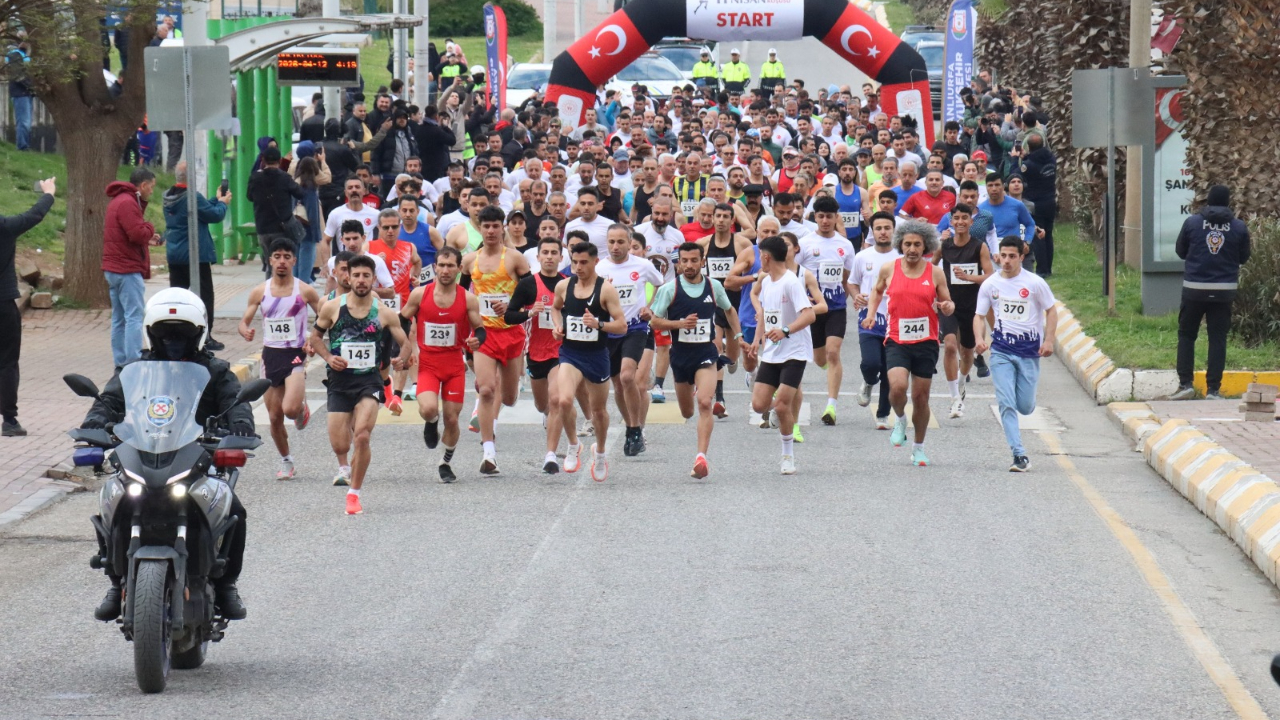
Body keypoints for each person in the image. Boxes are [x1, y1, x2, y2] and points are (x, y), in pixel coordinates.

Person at [83, 288, 254, 621]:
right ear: (152, 334)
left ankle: (226, 585)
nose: (173, 341)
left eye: (181, 334)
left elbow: (236, 403)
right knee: (112, 500)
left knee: (234, 510)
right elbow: (110, 401)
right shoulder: (135, 369)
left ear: (198, 334)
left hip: (197, 458)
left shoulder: (216, 371)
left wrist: (241, 427)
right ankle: (116, 581)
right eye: (165, 334)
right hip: (143, 453)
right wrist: (95, 424)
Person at [308, 255, 412, 515]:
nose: (361, 280)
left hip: (369, 380)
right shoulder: (332, 308)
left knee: (362, 435)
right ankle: (348, 466)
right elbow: (315, 337)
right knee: (340, 445)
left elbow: (405, 342)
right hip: (339, 381)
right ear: (348, 277)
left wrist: (401, 359)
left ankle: (354, 494)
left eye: (366, 276)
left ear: (373, 279)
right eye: (356, 275)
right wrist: (329, 358)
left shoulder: (384, 312)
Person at [862, 219, 954, 467]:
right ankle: (901, 418)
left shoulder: (934, 272)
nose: (912, 249)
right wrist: (871, 314)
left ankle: (918, 448)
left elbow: (948, 302)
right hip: (897, 339)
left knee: (921, 397)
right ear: (900, 245)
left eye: (917, 245)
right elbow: (877, 291)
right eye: (908, 244)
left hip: (926, 341)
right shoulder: (889, 269)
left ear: (926, 246)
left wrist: (947, 306)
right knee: (897, 387)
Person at [648, 242, 742, 478]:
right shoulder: (669, 289)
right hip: (680, 357)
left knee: (705, 403)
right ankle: (692, 393)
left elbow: (729, 310)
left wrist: (739, 336)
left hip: (706, 354)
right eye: (684, 261)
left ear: (702, 261)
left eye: (693, 260)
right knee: (687, 412)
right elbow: (654, 321)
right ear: (678, 263)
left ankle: (701, 457)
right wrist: (679, 324)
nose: (689, 265)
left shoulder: (713, 286)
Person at [237, 239, 322, 479]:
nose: (282, 261)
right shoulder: (260, 291)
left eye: (286, 256)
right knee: (275, 417)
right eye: (277, 256)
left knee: (290, 410)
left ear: (294, 260)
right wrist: (245, 331)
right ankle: (286, 461)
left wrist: (312, 340)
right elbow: (244, 321)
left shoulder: (304, 291)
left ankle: (301, 408)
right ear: (270, 260)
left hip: (295, 353)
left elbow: (324, 318)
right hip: (271, 355)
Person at [973, 236, 1057, 472]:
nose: (1007, 261)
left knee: (1025, 406)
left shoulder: (1035, 283)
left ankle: (1026, 403)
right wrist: (979, 339)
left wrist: (1048, 340)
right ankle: (1019, 454)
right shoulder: (990, 284)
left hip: (1029, 353)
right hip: (1001, 351)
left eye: (1012, 256)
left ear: (1022, 256)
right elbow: (979, 316)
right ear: (998, 256)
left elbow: (1051, 310)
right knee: (1006, 403)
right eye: (1003, 256)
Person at [400, 246, 484, 482]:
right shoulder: (420, 294)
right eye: (442, 266)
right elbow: (402, 320)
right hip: (428, 364)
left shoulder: (468, 299)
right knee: (428, 409)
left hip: (454, 366)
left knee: (452, 419)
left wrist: (477, 340)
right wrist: (401, 350)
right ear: (435, 267)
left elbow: (480, 329)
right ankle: (431, 421)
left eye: (450, 266)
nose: (445, 270)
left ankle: (445, 462)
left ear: (459, 268)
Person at [550, 241, 628, 481]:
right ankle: (574, 444)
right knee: (564, 400)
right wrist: (558, 326)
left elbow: (622, 325)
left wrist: (599, 324)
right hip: (570, 353)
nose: (578, 267)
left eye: (584, 262)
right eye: (575, 262)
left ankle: (600, 452)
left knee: (598, 411)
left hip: (596, 355)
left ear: (596, 262)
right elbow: (555, 308)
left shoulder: (605, 290)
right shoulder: (564, 286)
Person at [462, 205, 532, 474]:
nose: (491, 231)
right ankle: (488, 452)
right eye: (486, 226)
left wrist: (512, 307)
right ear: (480, 228)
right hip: (484, 334)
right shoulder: (470, 261)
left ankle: (497, 405)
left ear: (502, 228)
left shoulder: (515, 259)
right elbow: (461, 296)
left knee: (510, 397)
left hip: (512, 333)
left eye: (495, 226)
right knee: (487, 390)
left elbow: (531, 293)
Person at [1171, 184, 1252, 401]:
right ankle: (1213, 390)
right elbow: (1244, 257)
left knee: (1187, 335)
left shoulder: (1192, 223)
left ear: (1208, 201)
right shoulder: (1238, 227)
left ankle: (1185, 384)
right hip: (1224, 292)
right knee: (1218, 339)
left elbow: (1180, 251)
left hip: (1194, 290)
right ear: (1228, 203)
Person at [503, 237, 574, 473]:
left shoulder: (568, 284)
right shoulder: (528, 285)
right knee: (542, 404)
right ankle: (547, 415)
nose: (550, 257)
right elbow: (509, 316)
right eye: (546, 253)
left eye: (554, 253)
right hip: (535, 352)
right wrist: (529, 313)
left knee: (556, 400)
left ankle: (550, 456)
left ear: (561, 258)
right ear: (538, 257)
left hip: (561, 352)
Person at [747, 236, 815, 475]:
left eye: (760, 256)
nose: (760, 261)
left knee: (784, 405)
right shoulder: (767, 282)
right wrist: (756, 341)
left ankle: (787, 456)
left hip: (794, 352)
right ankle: (778, 407)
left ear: (766, 257)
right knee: (759, 406)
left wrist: (786, 330)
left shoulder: (791, 282)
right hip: (772, 353)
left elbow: (809, 315)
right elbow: (765, 314)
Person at [596, 223, 664, 456]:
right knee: (617, 384)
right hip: (609, 331)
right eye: (611, 242)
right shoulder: (600, 268)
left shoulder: (643, 265)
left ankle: (636, 429)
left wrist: (650, 307)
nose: (615, 247)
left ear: (629, 243)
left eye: (620, 242)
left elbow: (661, 285)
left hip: (635, 328)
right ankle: (631, 427)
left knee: (627, 376)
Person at [0, 177, 54, 437]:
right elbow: (34, 215)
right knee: (7, 362)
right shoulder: (5, 227)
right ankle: (9, 421)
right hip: (3, 304)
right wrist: (49, 193)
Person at [796, 196, 857, 426]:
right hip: (812, 309)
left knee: (833, 352)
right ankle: (830, 368)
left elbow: (848, 276)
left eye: (829, 217)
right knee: (819, 357)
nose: (825, 221)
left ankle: (831, 405)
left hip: (836, 307)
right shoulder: (805, 243)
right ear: (815, 217)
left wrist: (852, 297)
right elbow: (794, 273)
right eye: (820, 216)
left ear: (836, 218)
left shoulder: (845, 245)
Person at [932, 203, 993, 419]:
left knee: (967, 353)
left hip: (971, 305)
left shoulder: (979, 247)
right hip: (948, 303)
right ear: (951, 221)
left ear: (971, 222)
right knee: (950, 345)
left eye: (964, 218)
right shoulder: (944, 246)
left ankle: (960, 381)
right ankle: (954, 398)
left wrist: (969, 278)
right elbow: (930, 267)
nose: (960, 222)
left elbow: (990, 275)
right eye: (956, 218)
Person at [163, 161, 231, 352]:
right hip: (195, 255)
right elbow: (214, 215)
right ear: (191, 177)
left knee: (177, 297)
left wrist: (215, 199)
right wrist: (223, 203)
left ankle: (175, 334)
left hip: (175, 254)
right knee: (205, 297)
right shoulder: (192, 197)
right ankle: (205, 336)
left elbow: (201, 210)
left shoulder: (168, 197)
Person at [104, 168, 161, 369]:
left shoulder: (119, 200)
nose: (152, 191)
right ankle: (133, 362)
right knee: (134, 317)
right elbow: (136, 234)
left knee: (119, 318)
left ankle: (121, 361)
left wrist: (147, 238)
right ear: (143, 185)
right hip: (126, 268)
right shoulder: (128, 203)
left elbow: (128, 233)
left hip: (113, 267)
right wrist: (150, 228)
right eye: (151, 187)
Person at [368, 208, 423, 414]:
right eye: (386, 227)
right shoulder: (369, 248)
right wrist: (375, 260)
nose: (390, 231)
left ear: (400, 227)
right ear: (379, 228)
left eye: (394, 227)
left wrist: (414, 277)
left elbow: (417, 261)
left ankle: (398, 395)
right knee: (382, 353)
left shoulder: (408, 247)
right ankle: (385, 383)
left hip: (403, 307)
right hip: (377, 308)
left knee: (404, 346)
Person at [850, 212, 901, 429]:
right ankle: (869, 381)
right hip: (869, 318)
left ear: (894, 230)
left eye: (887, 228)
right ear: (872, 231)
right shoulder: (862, 257)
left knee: (890, 369)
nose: (883, 232)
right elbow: (852, 282)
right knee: (871, 363)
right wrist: (856, 296)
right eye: (878, 228)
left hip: (895, 320)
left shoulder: (901, 257)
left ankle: (882, 415)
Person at [246, 146, 306, 269]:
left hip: (262, 227)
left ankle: (270, 281)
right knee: (283, 263)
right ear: (279, 160)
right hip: (281, 228)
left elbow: (250, 197)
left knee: (270, 263)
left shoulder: (255, 178)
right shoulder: (284, 177)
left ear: (263, 160)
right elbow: (300, 193)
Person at [1019, 133, 1057, 277]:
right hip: (1051, 200)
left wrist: (1020, 158)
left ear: (1028, 147)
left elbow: (1019, 174)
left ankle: (1042, 270)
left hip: (1036, 203)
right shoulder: (1051, 159)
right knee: (1048, 235)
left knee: (1039, 235)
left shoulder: (1028, 165)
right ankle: (1048, 268)